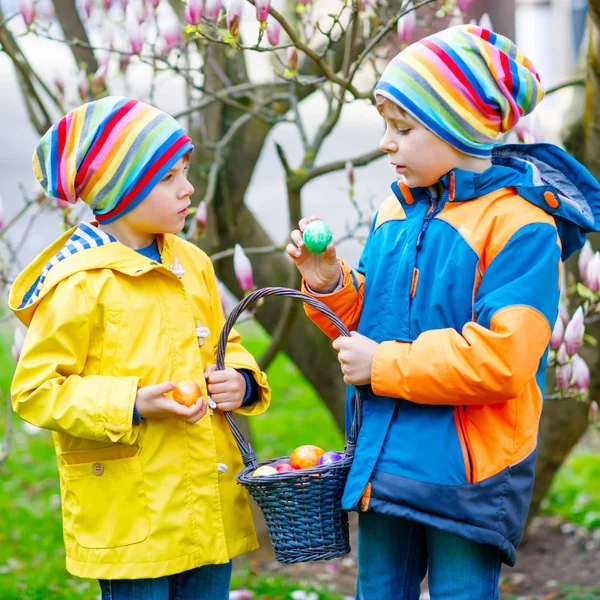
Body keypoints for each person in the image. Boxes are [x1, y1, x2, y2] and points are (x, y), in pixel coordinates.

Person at [287, 25, 600, 599]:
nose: (386, 142)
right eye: (385, 126)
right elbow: (374, 320)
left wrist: (382, 364)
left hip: (466, 476)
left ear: (457, 128)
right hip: (386, 459)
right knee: (379, 590)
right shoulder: (395, 211)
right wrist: (329, 283)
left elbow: (503, 359)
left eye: (402, 128)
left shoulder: (520, 227)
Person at [9, 96, 270, 600]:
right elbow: (37, 390)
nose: (188, 188)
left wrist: (239, 379)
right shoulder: (80, 283)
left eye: (186, 172)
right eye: (168, 177)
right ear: (120, 188)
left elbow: (226, 342)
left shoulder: (191, 263)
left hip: (206, 504)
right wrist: (132, 402)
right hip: (135, 510)